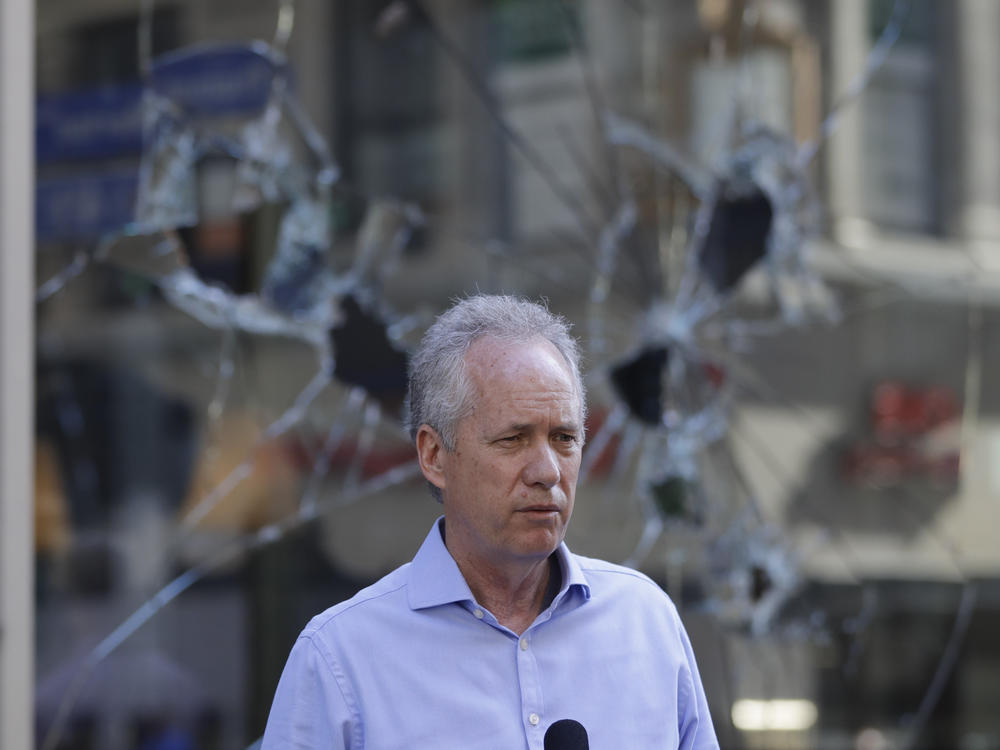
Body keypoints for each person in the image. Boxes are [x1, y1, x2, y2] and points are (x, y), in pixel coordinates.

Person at [261, 295, 719, 749]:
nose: (547, 472)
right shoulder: (340, 657)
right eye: (513, 439)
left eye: (564, 438)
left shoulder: (646, 624)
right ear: (434, 455)